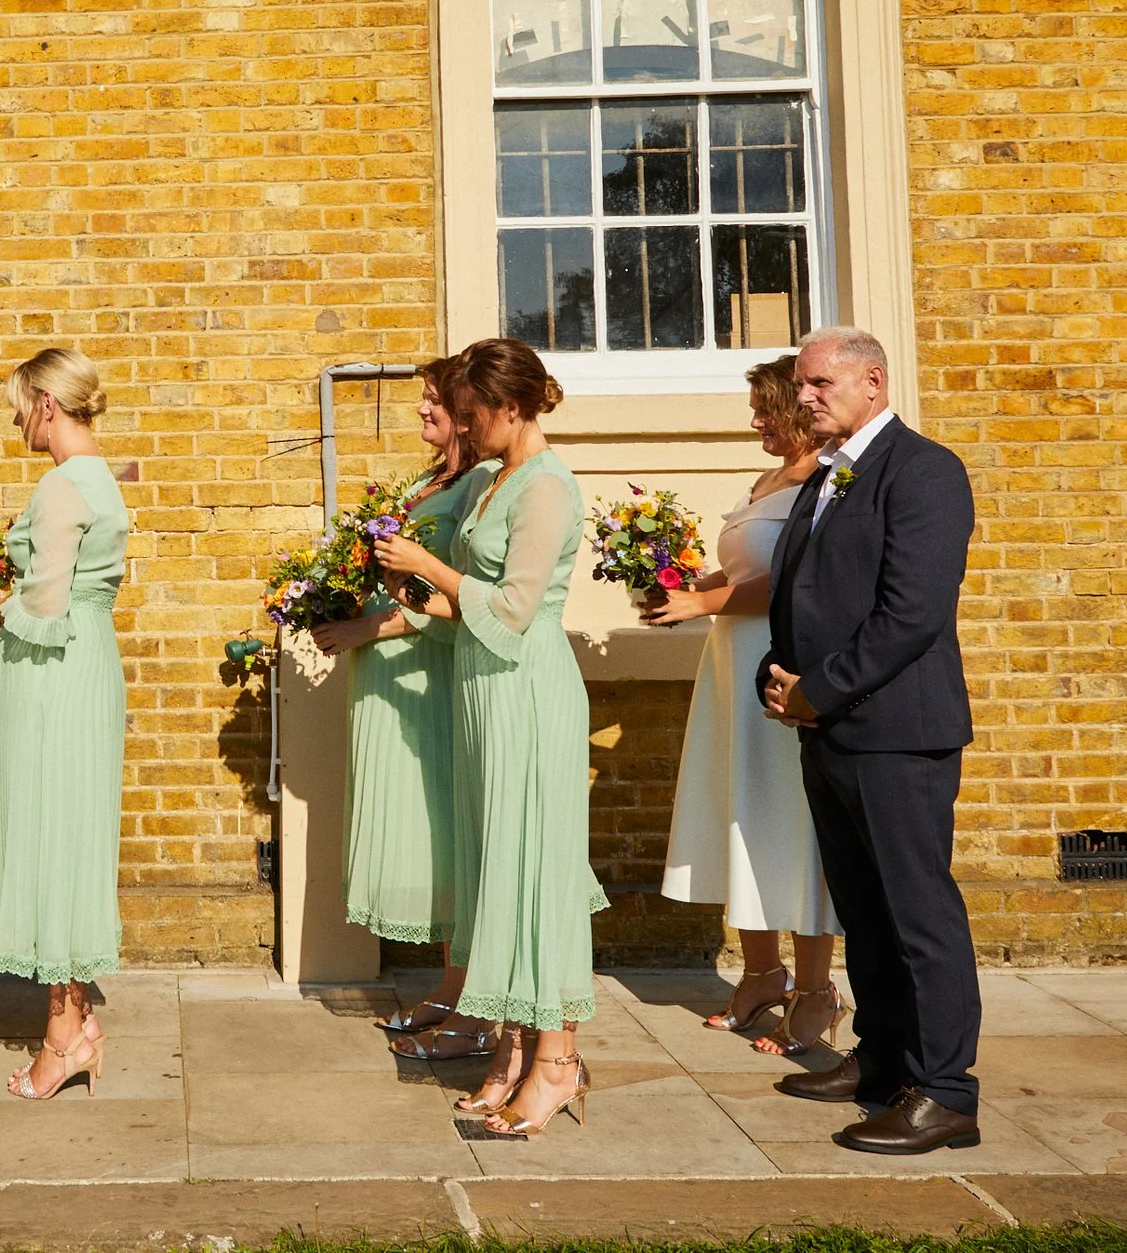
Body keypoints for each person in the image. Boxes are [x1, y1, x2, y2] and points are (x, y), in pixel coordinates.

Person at [374, 338, 606, 1139]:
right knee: (495, 870)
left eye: (473, 413)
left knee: (536, 870)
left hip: (528, 691)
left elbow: (512, 608)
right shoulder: (494, 478)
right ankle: (509, 1049)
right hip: (480, 686)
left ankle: (558, 1060)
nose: (463, 427)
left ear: (513, 406)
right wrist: (414, 590)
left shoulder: (548, 486)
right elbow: (468, 611)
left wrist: (430, 568)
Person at [759, 325, 982, 1155]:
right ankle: (886, 1061)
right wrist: (780, 677)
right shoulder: (830, 473)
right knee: (865, 911)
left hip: (898, 732)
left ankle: (947, 1091)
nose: (804, 396)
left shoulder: (925, 471)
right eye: (801, 383)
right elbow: (809, 592)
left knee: (918, 914)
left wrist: (818, 689)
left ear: (873, 382)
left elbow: (911, 614)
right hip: (831, 728)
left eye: (818, 382)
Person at [648, 355, 844, 1056]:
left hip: (780, 666)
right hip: (730, 666)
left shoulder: (825, 482)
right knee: (743, 815)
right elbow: (742, 572)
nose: (756, 420)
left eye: (766, 408)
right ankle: (762, 972)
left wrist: (702, 601)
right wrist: (678, 586)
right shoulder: (768, 479)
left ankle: (818, 990)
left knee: (790, 822)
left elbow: (792, 579)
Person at [308, 355, 498, 1046]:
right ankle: (452, 989)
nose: (421, 410)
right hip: (393, 678)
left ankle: (476, 1005)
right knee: (434, 838)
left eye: (433, 401)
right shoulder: (428, 480)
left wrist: (368, 625)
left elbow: (461, 588)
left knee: (449, 833)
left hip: (432, 676)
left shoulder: (480, 481)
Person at [0, 348, 131, 1099]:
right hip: (85, 663)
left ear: (46, 404)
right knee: (70, 830)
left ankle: (61, 1037)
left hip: (55, 674)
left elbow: (47, 601)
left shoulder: (64, 486)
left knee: (53, 835)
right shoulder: (102, 479)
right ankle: (80, 1021)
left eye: (19, 404)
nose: (15, 419)